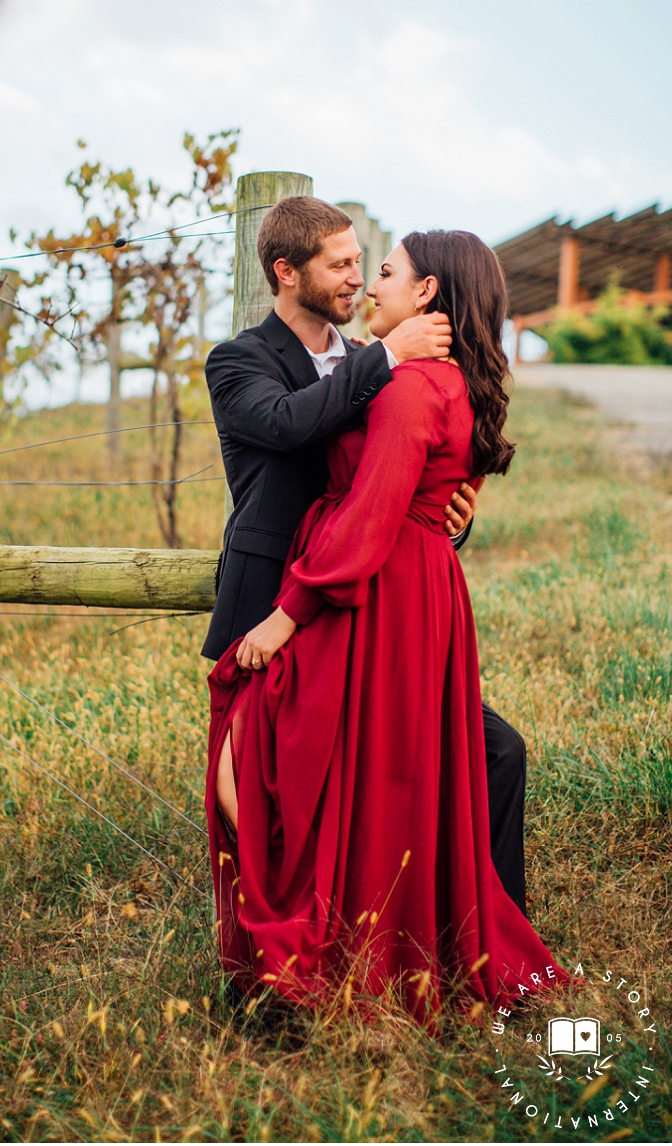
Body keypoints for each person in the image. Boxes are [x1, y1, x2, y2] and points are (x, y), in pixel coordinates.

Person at [205, 229, 569, 1024]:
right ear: (284, 272)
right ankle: (349, 936)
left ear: (430, 293)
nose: (361, 280)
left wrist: (437, 512)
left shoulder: (407, 375)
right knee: (284, 765)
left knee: (458, 757)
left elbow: (386, 501)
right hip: (312, 589)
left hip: (361, 595)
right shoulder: (248, 361)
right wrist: (391, 355)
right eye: (343, 265)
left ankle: (417, 938)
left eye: (376, 267)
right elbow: (298, 424)